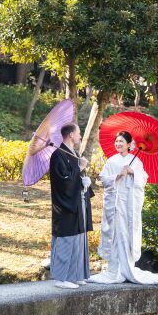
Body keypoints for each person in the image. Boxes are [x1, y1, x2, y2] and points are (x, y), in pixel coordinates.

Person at [88, 131, 158, 285]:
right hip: (115, 205)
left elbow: (143, 179)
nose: (118, 144)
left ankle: (127, 267)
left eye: (121, 142)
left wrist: (132, 172)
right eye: (116, 141)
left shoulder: (135, 161)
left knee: (127, 233)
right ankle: (115, 268)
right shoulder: (111, 161)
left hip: (129, 204)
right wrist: (117, 176)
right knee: (116, 233)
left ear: (129, 144)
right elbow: (103, 179)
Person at [49, 124, 94, 289]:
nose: (80, 136)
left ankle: (75, 275)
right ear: (71, 135)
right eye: (79, 133)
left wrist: (85, 183)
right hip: (65, 205)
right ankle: (61, 278)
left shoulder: (73, 154)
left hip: (78, 203)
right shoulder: (57, 155)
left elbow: (75, 178)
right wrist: (79, 168)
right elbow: (63, 182)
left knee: (79, 239)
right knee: (66, 240)